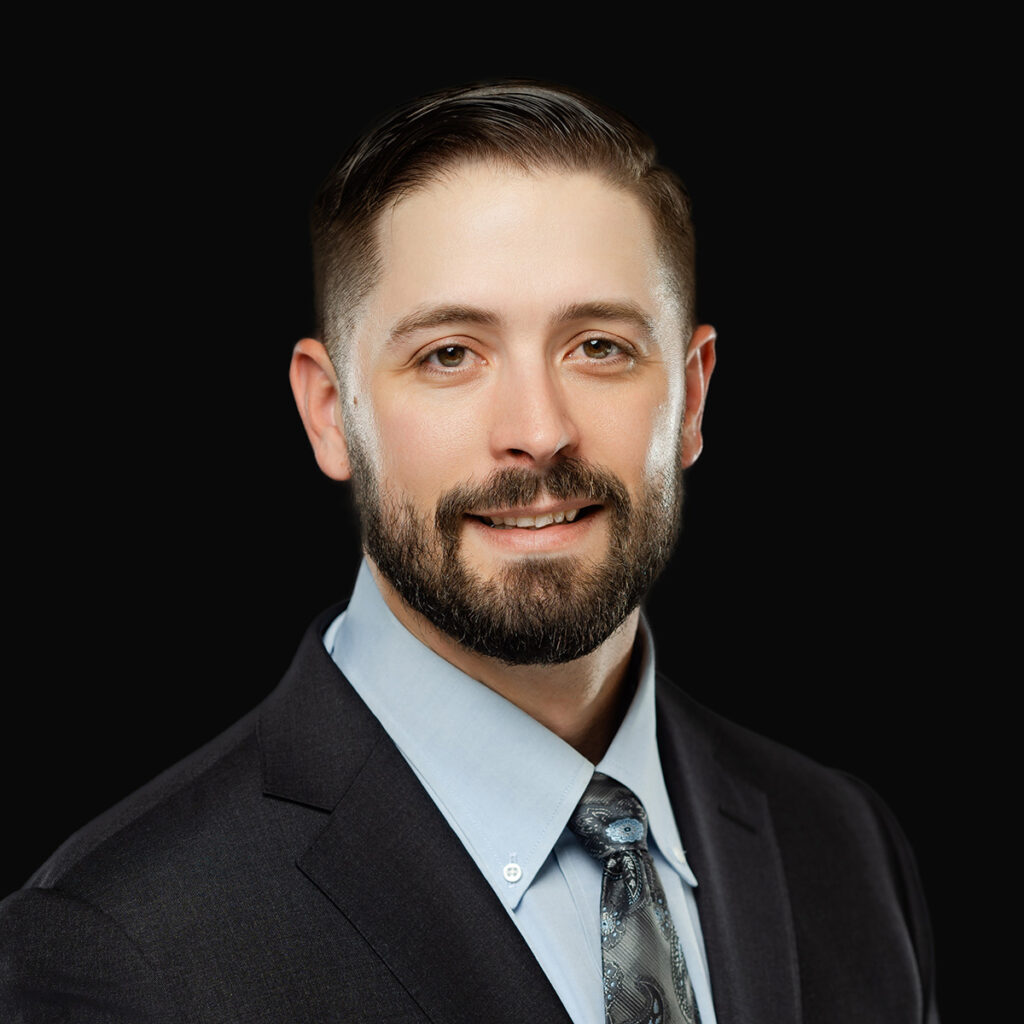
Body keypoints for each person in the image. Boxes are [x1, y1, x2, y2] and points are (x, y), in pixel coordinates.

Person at [0, 81, 938, 1023]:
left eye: (599, 346)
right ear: (330, 413)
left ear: (691, 398)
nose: (538, 431)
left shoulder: (844, 848)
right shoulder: (117, 949)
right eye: (449, 354)